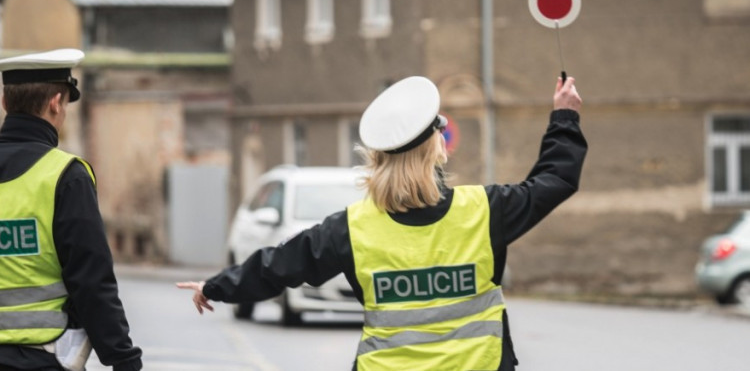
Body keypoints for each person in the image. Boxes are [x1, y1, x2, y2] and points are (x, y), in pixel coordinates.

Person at [178, 75, 586, 370]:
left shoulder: (352, 229)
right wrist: (563, 118)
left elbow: (279, 265)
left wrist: (216, 287)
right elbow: (555, 180)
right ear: (436, 149)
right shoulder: (484, 210)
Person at [0, 49, 142, 371]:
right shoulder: (66, 177)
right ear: (55, 103)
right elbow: (91, 281)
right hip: (42, 360)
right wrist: (123, 358)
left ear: (6, 103)